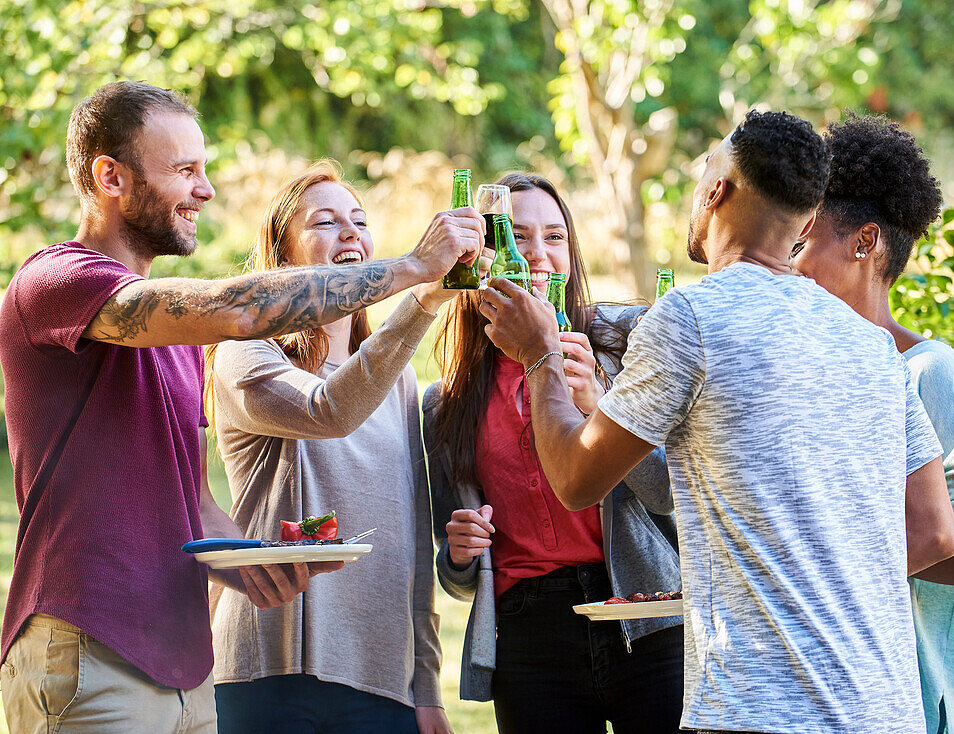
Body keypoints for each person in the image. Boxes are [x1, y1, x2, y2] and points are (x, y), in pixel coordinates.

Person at [0, 81, 481, 733]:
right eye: (185, 170)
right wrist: (418, 269)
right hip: (91, 649)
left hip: (184, 667)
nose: (207, 190)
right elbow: (238, 310)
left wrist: (251, 558)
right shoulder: (57, 281)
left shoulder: (174, 340)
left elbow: (187, 495)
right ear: (110, 176)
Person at [475, 110, 954, 733]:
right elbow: (934, 531)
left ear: (715, 192)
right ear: (807, 223)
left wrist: (540, 355)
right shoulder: (870, 343)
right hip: (885, 709)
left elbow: (575, 480)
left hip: (760, 712)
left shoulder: (691, 318)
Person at [207, 161, 468, 734]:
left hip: (382, 677)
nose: (351, 233)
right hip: (271, 671)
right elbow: (329, 409)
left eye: (359, 220)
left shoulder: (395, 378)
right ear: (284, 259)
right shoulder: (246, 353)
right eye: (324, 222)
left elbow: (411, 539)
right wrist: (422, 301)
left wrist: (426, 684)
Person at [423, 172, 684, 733]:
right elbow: (455, 574)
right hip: (529, 636)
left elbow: (672, 494)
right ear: (480, 255)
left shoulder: (626, 343)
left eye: (555, 236)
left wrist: (602, 406)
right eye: (514, 237)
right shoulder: (447, 403)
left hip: (643, 613)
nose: (537, 255)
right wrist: (462, 552)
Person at [790, 114, 954, 734]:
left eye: (802, 244)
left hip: (929, 707)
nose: (788, 267)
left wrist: (834, 555)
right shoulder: (807, 383)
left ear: (865, 242)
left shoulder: (928, 373)